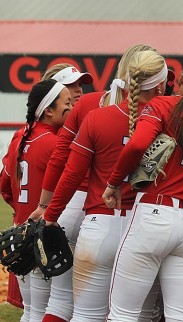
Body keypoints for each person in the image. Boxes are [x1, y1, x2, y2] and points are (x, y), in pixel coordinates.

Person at [29, 44, 162, 322]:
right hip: (146, 222)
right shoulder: (168, 114)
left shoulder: (92, 108)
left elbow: (64, 162)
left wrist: (47, 209)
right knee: (141, 315)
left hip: (92, 213)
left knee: (66, 304)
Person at [102, 53, 183, 322]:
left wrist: (114, 182)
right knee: (180, 317)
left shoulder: (163, 105)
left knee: (123, 314)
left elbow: (136, 145)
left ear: (182, 78)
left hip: (154, 214)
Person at [0, 79, 71, 322]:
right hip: (44, 235)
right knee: (49, 311)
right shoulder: (55, 143)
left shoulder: (21, 137)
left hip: (23, 233)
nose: (72, 107)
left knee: (31, 312)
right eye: (67, 102)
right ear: (48, 110)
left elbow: (5, 187)